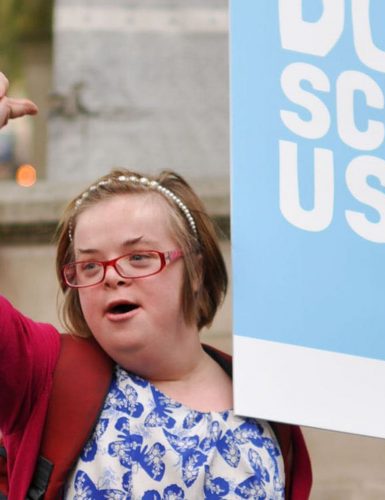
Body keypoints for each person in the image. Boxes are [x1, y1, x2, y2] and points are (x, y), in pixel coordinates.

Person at [0, 73, 312, 499]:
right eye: (89, 266)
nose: (112, 275)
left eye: (139, 257)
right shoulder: (47, 374)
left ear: (196, 270)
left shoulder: (271, 407)